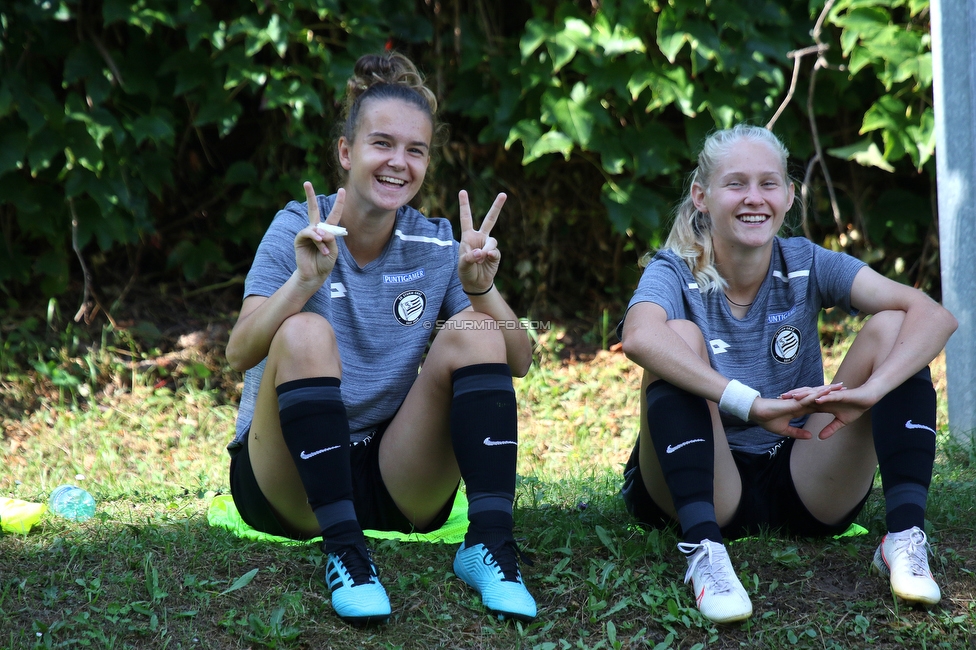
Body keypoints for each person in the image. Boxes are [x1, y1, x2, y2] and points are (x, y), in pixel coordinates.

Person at [223, 51, 537, 626]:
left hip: (395, 476)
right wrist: (302, 283)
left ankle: (490, 544)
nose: (399, 163)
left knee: (473, 327)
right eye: (382, 144)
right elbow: (238, 353)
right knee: (305, 330)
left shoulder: (438, 243)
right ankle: (346, 553)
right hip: (289, 482)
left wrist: (485, 291)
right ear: (347, 152)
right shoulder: (296, 226)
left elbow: (518, 359)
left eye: (415, 150)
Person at [617, 124, 957, 624]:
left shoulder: (805, 262)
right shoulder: (673, 269)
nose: (754, 198)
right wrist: (748, 405)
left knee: (892, 328)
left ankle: (903, 539)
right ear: (702, 196)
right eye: (736, 183)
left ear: (790, 195)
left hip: (803, 476)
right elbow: (638, 336)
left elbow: (934, 315)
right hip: (708, 478)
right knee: (679, 339)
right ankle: (704, 551)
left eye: (768, 184)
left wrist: (869, 393)